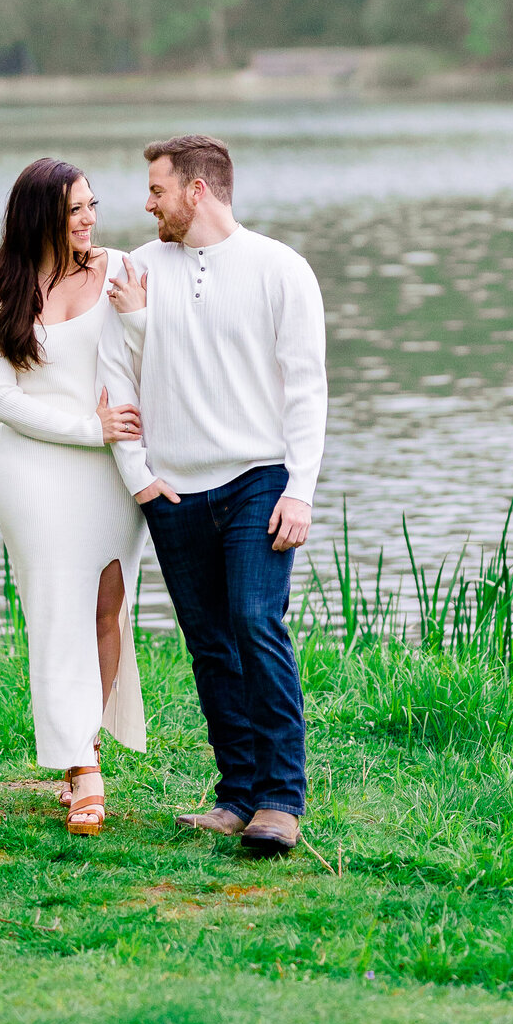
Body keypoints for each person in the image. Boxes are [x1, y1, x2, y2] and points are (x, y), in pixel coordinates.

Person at [98, 133, 327, 857]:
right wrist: (140, 478)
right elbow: (117, 380)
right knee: (209, 645)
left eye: (158, 189)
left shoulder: (279, 269)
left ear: (197, 191)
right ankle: (235, 797)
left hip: (257, 476)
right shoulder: (136, 270)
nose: (148, 202)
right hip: (175, 491)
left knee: (256, 623)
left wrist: (301, 490)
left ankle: (280, 802)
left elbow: (307, 390)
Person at [0, 157, 147, 836]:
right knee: (54, 614)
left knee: (107, 607)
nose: (90, 219)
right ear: (41, 215)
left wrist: (140, 321)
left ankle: (85, 747)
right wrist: (86, 428)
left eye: (93, 205)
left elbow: (154, 361)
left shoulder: (123, 271)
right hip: (36, 475)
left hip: (110, 475)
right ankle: (82, 769)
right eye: (76, 209)